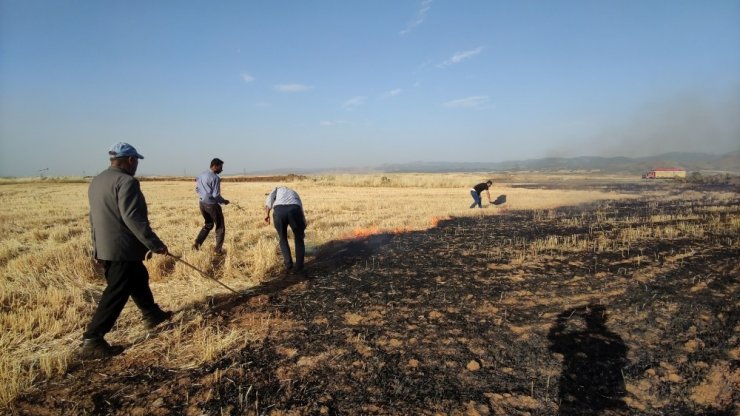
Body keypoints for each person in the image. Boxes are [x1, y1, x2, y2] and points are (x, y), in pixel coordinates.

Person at [82, 142, 171, 359]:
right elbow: (132, 217)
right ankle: (93, 339)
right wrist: (154, 243)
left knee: (138, 276)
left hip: (106, 246)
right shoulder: (127, 182)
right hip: (122, 247)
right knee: (117, 291)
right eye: (136, 161)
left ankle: (152, 314)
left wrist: (96, 248)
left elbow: (93, 218)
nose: (136, 165)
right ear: (130, 160)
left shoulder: (97, 180)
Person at [264, 186, 307, 274]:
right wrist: (303, 225)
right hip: (295, 210)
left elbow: (269, 201)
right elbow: (300, 208)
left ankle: (288, 265)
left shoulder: (276, 189)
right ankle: (299, 267)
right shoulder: (294, 193)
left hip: (279, 211)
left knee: (282, 238)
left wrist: (266, 214)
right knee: (299, 239)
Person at [193, 158, 229, 254]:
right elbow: (215, 195)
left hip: (202, 204)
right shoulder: (215, 178)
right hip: (211, 205)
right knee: (220, 227)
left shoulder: (201, 174)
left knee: (208, 224)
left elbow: (197, 189)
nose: (222, 170)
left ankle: (197, 243)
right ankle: (218, 251)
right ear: (215, 166)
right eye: (221, 167)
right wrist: (223, 201)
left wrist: (203, 196)